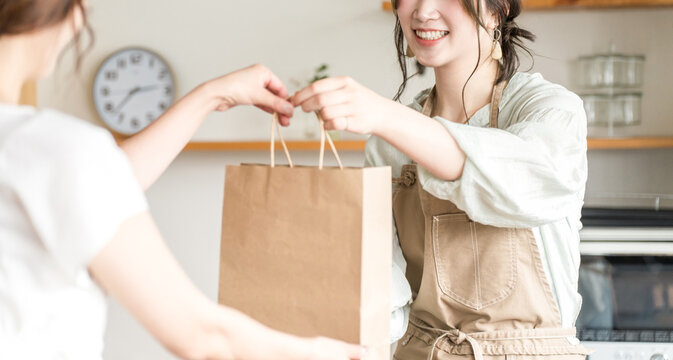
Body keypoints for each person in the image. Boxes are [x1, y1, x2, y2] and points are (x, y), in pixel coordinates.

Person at [0, 1, 364, 359]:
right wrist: (322, 351)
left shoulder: (51, 153)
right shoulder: (57, 149)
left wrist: (213, 95)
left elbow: (101, 185)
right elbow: (203, 338)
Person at [292, 0, 592, 359]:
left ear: (496, 11)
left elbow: (521, 184)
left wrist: (385, 117)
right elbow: (379, 296)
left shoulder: (548, 109)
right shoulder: (388, 143)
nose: (422, 11)